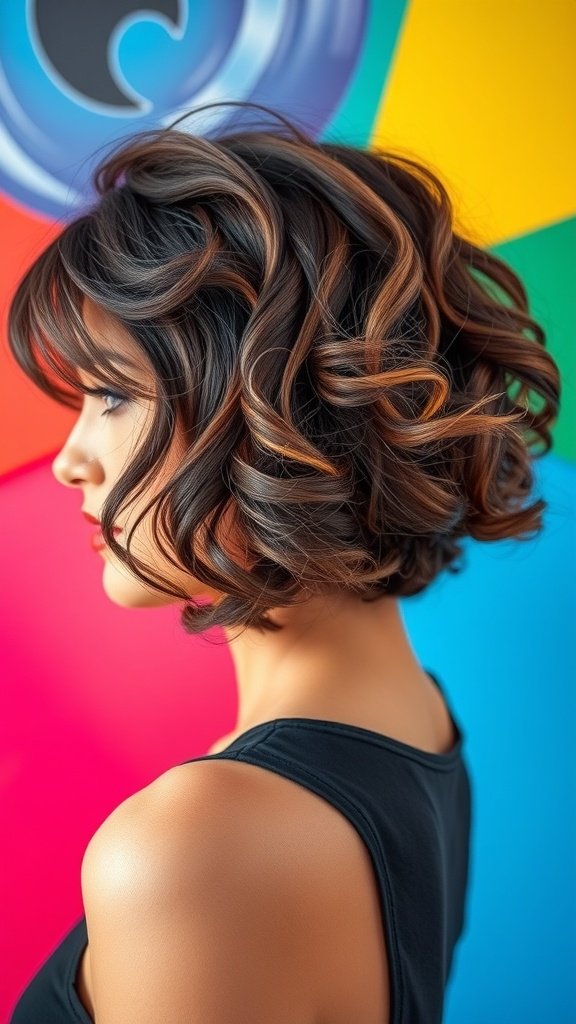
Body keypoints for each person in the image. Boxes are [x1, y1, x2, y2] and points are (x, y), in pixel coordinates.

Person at [8, 102, 560, 1024]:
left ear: (271, 405)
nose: (72, 460)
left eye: (109, 393)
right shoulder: (407, 717)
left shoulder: (194, 851)